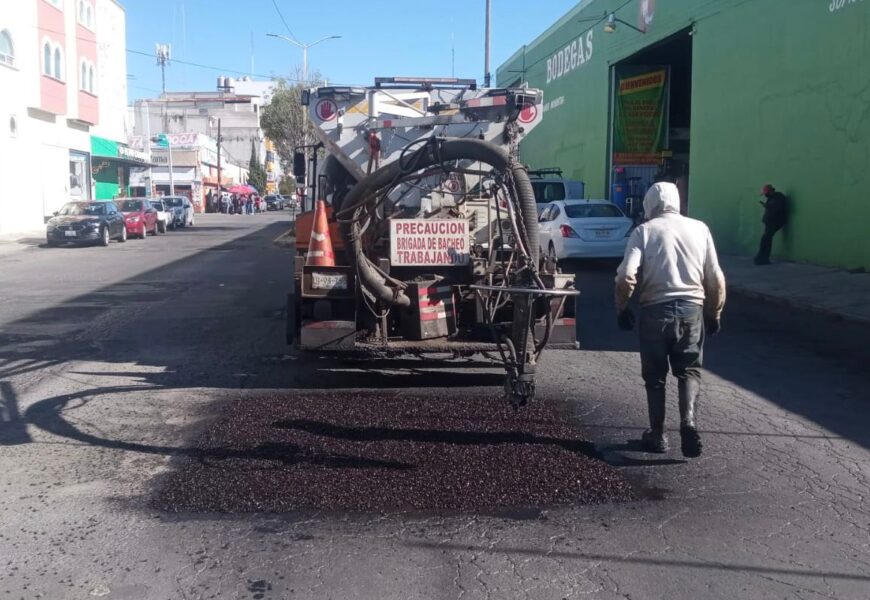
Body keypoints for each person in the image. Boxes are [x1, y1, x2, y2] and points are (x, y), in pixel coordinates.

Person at [615, 182, 726, 458]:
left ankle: (658, 435)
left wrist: (622, 307)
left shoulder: (644, 231)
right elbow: (715, 278)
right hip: (691, 311)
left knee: (655, 378)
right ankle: (688, 422)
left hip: (654, 311)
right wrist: (714, 313)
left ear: (649, 204)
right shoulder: (700, 229)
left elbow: (626, 275)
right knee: (689, 370)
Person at [755, 184, 788, 265]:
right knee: (765, 239)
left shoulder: (779, 197)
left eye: (766, 193)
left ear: (771, 191)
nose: (766, 195)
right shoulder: (771, 198)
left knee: (766, 239)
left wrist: (767, 206)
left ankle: (764, 258)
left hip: (774, 222)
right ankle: (761, 257)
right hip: (769, 222)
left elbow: (777, 209)